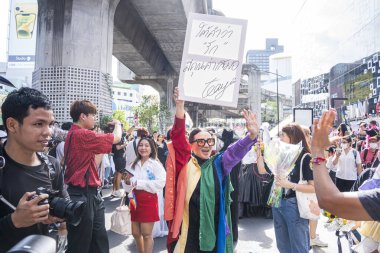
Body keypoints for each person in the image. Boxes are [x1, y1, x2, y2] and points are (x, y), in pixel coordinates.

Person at [164, 87, 259, 252]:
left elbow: (233, 152)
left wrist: (251, 136)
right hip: (187, 231)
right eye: (201, 141)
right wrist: (180, 107)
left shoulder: (218, 164)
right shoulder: (185, 162)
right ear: (191, 145)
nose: (206, 145)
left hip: (213, 232)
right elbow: (178, 136)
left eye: (209, 141)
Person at [0, 87, 68, 252]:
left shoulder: (52, 166)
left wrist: (56, 215)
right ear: (12, 125)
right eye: (38, 124)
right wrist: (14, 221)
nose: (48, 132)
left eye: (50, 124)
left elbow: (64, 205)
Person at [64, 100, 122, 253]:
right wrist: (118, 124)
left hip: (88, 194)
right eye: (93, 115)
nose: (95, 119)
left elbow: (94, 163)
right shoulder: (82, 134)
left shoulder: (74, 134)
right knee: (82, 244)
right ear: (83, 116)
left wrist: (100, 145)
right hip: (84, 195)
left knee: (97, 241)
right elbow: (116, 138)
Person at [311, 108, 380, 221]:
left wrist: (317, 150)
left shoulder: (355, 153)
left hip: (351, 179)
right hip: (340, 179)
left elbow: (329, 201)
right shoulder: (368, 174)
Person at [270, 123, 316, 253]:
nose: (280, 139)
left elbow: (314, 188)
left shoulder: (305, 157)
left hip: (295, 205)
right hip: (278, 202)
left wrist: (290, 185)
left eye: (282, 135)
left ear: (292, 136)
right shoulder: (283, 155)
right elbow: (262, 170)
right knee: (283, 246)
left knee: (298, 247)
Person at [124, 137, 166, 253]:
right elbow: (127, 185)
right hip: (134, 200)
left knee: (146, 234)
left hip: (149, 199)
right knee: (136, 233)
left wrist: (138, 183)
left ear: (152, 149)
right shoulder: (133, 164)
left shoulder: (155, 164)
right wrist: (126, 181)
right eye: (141, 145)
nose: (143, 148)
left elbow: (161, 183)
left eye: (146, 145)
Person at [301, 126, 327, 248]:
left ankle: (312, 237)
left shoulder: (308, 151)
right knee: (313, 215)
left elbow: (319, 162)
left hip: (307, 188)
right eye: (308, 134)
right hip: (308, 189)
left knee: (312, 216)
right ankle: (312, 238)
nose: (310, 137)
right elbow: (314, 167)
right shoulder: (305, 153)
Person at [111, 124, 128, 198]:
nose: (123, 129)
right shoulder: (118, 137)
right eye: (122, 127)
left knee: (117, 173)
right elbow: (118, 147)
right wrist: (125, 144)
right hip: (119, 157)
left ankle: (115, 191)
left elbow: (128, 132)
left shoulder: (117, 135)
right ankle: (117, 191)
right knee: (119, 173)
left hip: (117, 157)